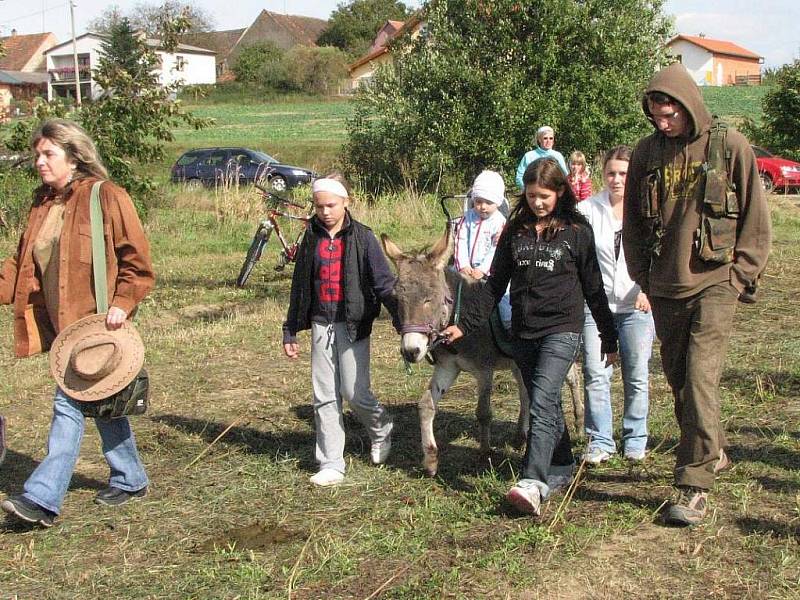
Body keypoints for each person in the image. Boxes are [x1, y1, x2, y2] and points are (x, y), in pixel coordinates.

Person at [623, 63, 772, 526]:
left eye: (671, 113)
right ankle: (714, 449)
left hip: (715, 279)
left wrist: (741, 274)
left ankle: (694, 484)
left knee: (702, 377)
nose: (664, 121)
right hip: (665, 286)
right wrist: (642, 276)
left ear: (689, 105)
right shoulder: (646, 153)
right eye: (657, 114)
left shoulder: (729, 145)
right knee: (680, 379)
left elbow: (755, 214)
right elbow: (632, 222)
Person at [0, 119, 154, 528]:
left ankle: (43, 498)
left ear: (74, 156)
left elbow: (137, 263)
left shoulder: (106, 196)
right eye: (37, 154)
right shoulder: (42, 203)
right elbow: (19, 266)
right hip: (62, 329)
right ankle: (131, 476)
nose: (39, 162)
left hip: (96, 328)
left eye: (48, 154)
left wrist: (123, 303)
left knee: (66, 405)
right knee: (101, 400)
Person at [443, 158, 618, 516]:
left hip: (562, 330)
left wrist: (608, 336)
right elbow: (494, 286)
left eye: (545, 195)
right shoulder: (516, 229)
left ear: (559, 192)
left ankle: (533, 481)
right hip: (523, 329)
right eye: (532, 195)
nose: (538, 202)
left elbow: (594, 287)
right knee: (549, 402)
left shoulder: (576, 229)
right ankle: (563, 465)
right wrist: (465, 325)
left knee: (540, 399)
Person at [283, 173, 397, 487]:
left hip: (353, 324)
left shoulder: (363, 237)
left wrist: (403, 321)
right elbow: (300, 286)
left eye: (331, 205)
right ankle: (331, 462)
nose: (325, 212)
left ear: (345, 202)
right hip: (322, 322)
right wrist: (290, 328)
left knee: (354, 392)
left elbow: (385, 285)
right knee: (324, 396)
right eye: (319, 206)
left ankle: (381, 427)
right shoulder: (311, 237)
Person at [578, 145, 655, 464]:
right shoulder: (586, 210)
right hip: (596, 308)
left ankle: (635, 437)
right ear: (602, 174)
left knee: (636, 374)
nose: (617, 179)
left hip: (636, 306)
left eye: (623, 173)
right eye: (611, 173)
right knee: (596, 374)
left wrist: (647, 289)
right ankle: (599, 440)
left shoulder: (646, 209)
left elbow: (658, 253)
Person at [453, 170, 511, 327]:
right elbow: (460, 241)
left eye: (488, 202)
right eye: (478, 201)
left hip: (492, 272)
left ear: (497, 203)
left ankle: (508, 325)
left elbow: (496, 249)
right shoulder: (467, 218)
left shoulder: (499, 222)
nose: (482, 207)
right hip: (466, 269)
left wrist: (484, 269)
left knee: (505, 298)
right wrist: (463, 265)